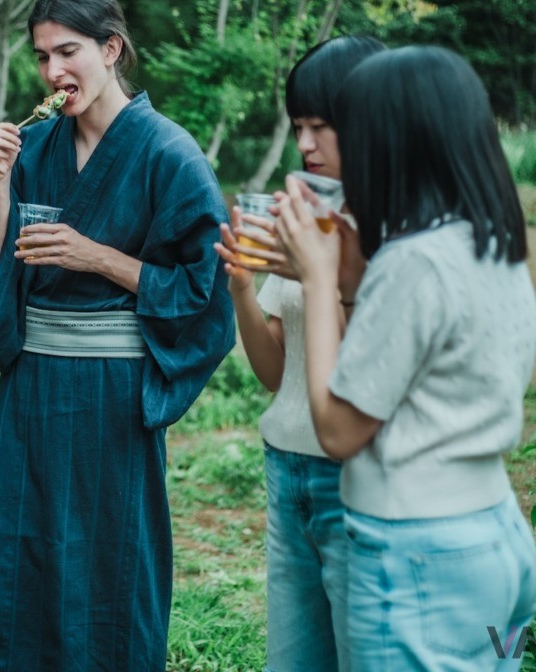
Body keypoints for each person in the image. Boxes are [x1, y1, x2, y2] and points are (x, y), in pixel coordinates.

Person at [0, 0, 235, 672]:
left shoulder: (170, 154)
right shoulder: (36, 147)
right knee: (9, 555)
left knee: (110, 558)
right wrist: (0, 182)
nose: (52, 73)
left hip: (112, 395)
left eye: (67, 52)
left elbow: (205, 289)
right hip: (32, 389)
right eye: (42, 57)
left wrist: (101, 258)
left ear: (112, 48)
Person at [273, 46, 536, 671]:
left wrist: (316, 280)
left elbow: (339, 430)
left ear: (391, 141)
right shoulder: (493, 244)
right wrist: (345, 275)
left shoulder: (413, 263)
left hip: (417, 559)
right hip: (497, 546)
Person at [215, 35, 385, 672]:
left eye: (321, 126)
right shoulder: (308, 215)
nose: (306, 145)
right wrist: (238, 284)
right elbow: (274, 373)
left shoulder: (396, 234)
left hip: (352, 478)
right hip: (287, 469)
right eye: (298, 127)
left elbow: (365, 373)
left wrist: (333, 283)